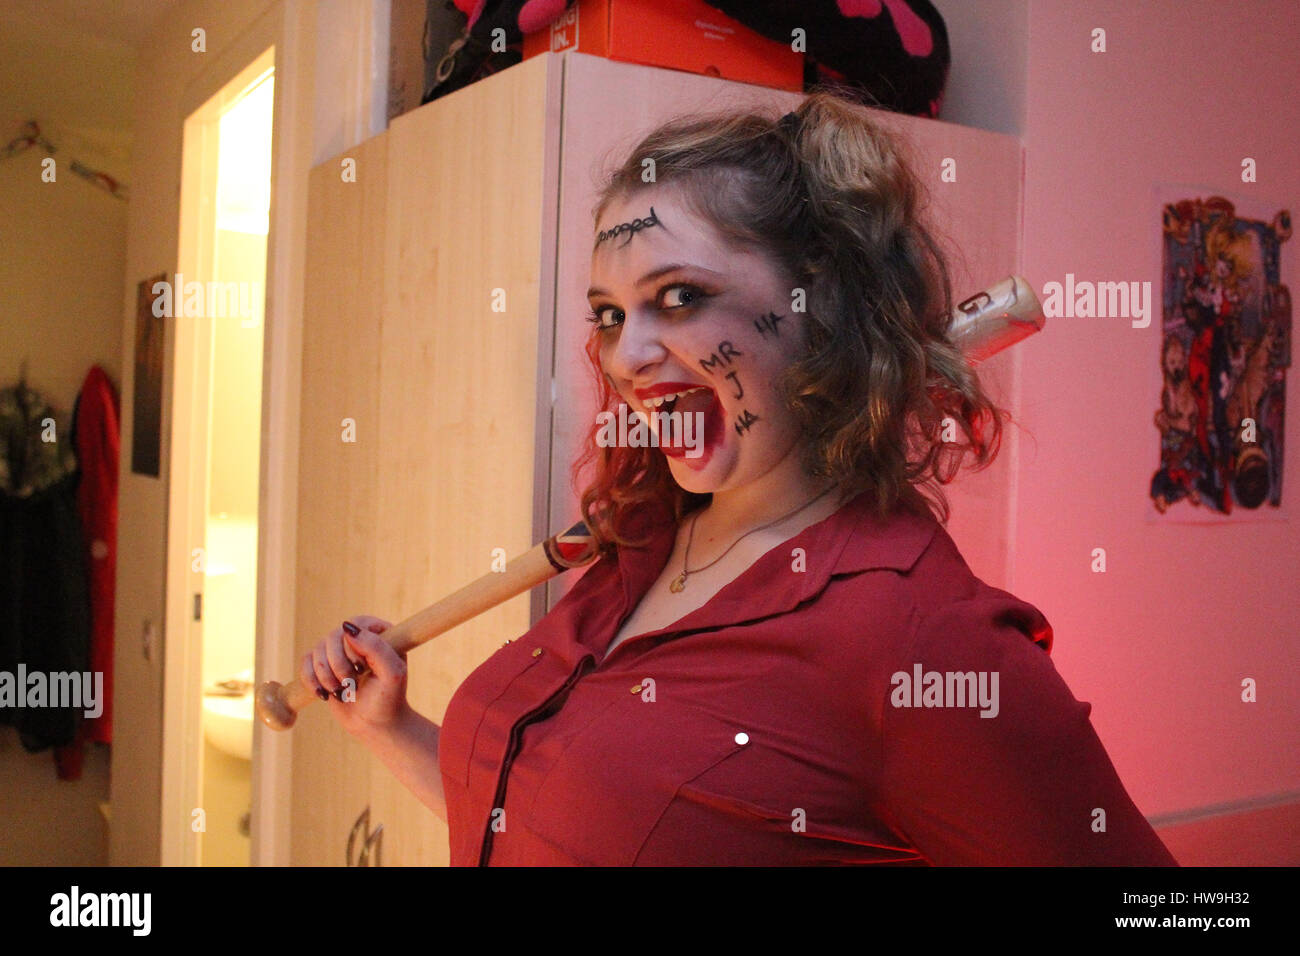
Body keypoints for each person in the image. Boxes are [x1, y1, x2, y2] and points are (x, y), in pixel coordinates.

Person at [304, 90, 1178, 866]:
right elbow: (538, 826)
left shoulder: (919, 638)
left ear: (820, 306)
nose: (628, 357)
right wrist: (389, 730)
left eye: (679, 296)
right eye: (609, 315)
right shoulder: (640, 540)